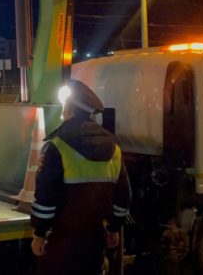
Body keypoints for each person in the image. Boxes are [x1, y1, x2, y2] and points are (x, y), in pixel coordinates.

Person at [30, 79, 131, 275]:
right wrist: (113, 229)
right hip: (94, 240)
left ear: (69, 108)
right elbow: (123, 198)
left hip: (62, 242)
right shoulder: (114, 147)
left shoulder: (57, 145)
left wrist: (39, 234)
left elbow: (46, 200)